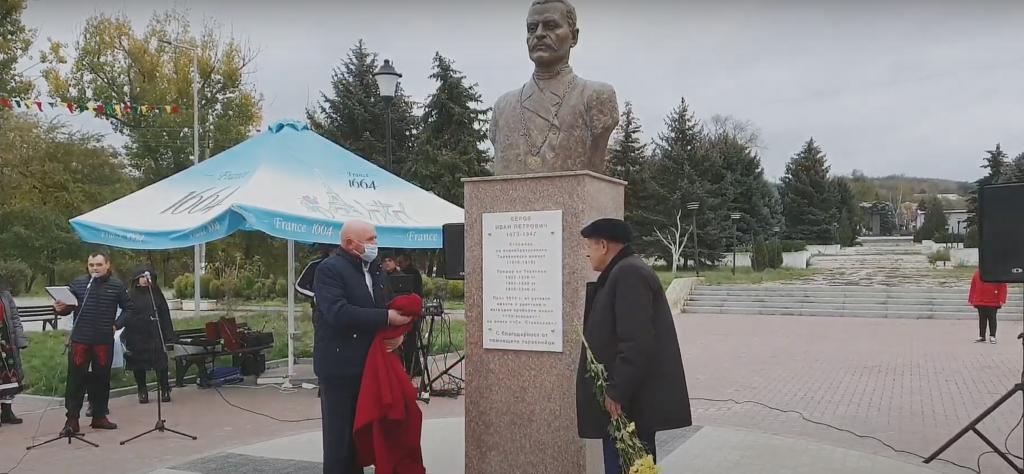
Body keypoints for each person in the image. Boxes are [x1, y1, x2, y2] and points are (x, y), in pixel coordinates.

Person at [575, 218, 691, 474]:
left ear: (603, 245)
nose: (586, 252)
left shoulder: (628, 273)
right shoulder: (623, 271)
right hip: (628, 403)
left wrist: (617, 391)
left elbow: (637, 341)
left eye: (589, 245)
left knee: (628, 466)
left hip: (629, 406)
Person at [313, 219, 412, 474]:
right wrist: (385, 319)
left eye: (375, 238)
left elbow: (386, 306)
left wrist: (397, 333)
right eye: (369, 240)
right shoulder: (329, 269)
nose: (375, 244)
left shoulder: (376, 270)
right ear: (349, 244)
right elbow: (339, 312)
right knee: (341, 440)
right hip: (340, 367)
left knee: (365, 435)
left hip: (371, 364)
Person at [53, 252, 133, 433]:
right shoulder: (79, 284)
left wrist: (116, 325)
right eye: (91, 265)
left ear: (107, 265)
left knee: (101, 380)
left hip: (103, 341)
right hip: (81, 340)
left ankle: (99, 416)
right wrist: (59, 309)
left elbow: (129, 309)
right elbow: (67, 307)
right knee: (76, 380)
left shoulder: (117, 285)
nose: (95, 269)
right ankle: (72, 419)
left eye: (98, 264)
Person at [115, 265, 175, 404]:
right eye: (141, 277)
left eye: (147, 277)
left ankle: (165, 388)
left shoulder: (156, 294)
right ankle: (142, 390)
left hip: (155, 333)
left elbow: (164, 314)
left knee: (160, 363)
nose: (144, 280)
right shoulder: (130, 294)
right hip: (136, 334)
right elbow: (125, 313)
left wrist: (168, 336)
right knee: (138, 364)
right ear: (136, 279)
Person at [0, 277, 28, 427]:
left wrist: (20, 340)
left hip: (6, 342)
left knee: (8, 378)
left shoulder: (5, 295)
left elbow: (15, 318)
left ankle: (6, 411)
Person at [396, 253, 424, 378]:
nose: (399, 265)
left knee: (411, 342)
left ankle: (413, 367)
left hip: (412, 311)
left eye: (401, 262)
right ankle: (412, 367)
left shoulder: (412, 274)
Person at [968, 269, 1007, 344]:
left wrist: (1002, 299)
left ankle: (992, 336)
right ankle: (982, 336)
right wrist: (971, 298)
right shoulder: (977, 273)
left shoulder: (997, 273)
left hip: (993, 301)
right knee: (982, 319)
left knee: (992, 319)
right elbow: (973, 286)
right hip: (980, 301)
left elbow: (1002, 286)